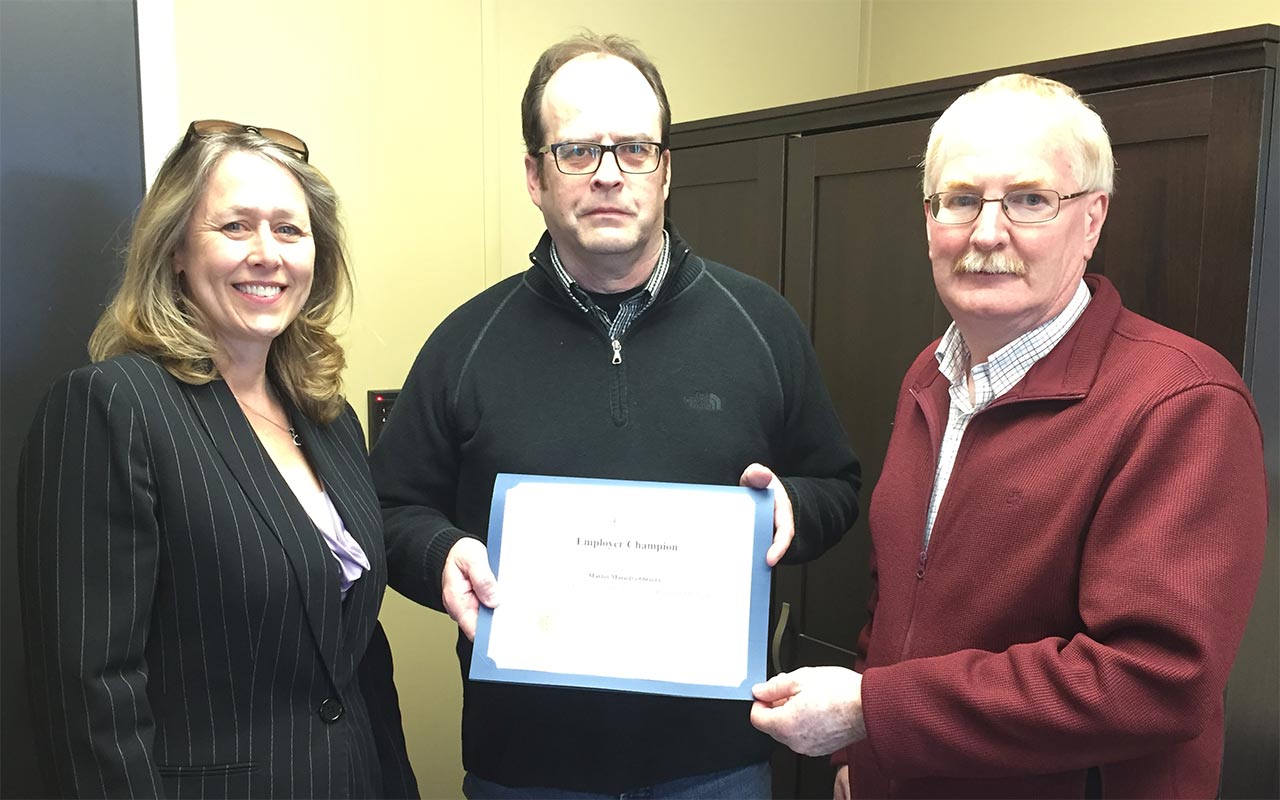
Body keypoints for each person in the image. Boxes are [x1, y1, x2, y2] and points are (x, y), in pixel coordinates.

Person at [749, 73, 1269, 798]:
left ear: (1091, 220)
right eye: (961, 200)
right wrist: (864, 760)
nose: (987, 233)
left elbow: (1155, 680)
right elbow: (895, 601)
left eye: (1029, 200)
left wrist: (874, 714)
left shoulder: (1181, 402)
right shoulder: (929, 377)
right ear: (929, 218)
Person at [371, 33, 860, 799]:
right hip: (527, 769)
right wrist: (439, 554)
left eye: (634, 149)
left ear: (666, 171)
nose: (608, 175)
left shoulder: (761, 324)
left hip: (717, 764)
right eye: (577, 151)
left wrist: (794, 507)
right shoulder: (467, 341)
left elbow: (836, 482)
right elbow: (390, 508)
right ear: (534, 175)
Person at [17, 120, 417, 798]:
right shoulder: (114, 408)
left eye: (290, 231)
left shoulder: (328, 416)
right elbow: (91, 700)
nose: (268, 254)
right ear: (175, 249)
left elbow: (351, 655)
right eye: (236, 227)